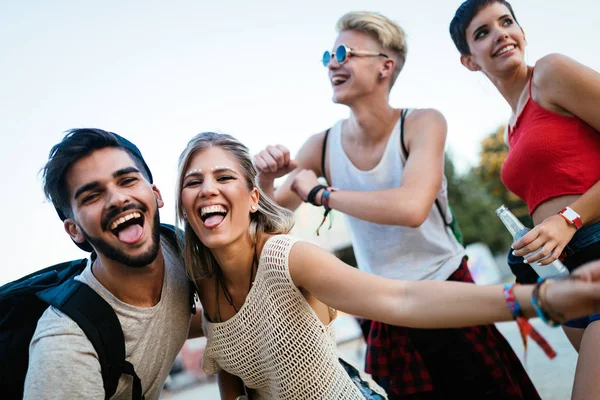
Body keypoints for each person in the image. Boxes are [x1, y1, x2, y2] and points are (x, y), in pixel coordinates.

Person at [176, 131, 600, 400]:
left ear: (253, 198)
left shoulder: (287, 256)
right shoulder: (199, 282)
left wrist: (541, 297)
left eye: (223, 177)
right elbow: (234, 369)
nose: (207, 189)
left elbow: (400, 298)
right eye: (193, 181)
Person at [253, 11, 537, 399]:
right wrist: (266, 179)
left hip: (449, 297)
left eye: (344, 52)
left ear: (385, 66)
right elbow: (267, 219)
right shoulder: (321, 145)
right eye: (328, 56)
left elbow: (411, 207)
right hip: (386, 314)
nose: (333, 63)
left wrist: (321, 194)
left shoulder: (423, 123)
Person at [449, 1, 600, 398]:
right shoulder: (510, 131)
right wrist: (535, 243)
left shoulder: (550, 73)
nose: (500, 33)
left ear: (522, 32)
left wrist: (568, 219)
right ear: (469, 61)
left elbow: (567, 209)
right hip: (566, 276)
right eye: (482, 33)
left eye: (506, 22)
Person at [23, 128, 202, 399]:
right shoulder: (65, 345)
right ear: (74, 230)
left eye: (128, 180)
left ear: (156, 194)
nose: (118, 199)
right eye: (91, 196)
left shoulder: (177, 247)